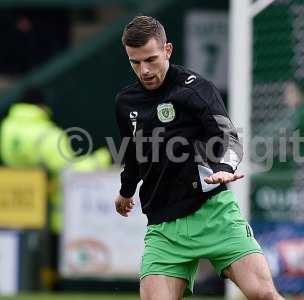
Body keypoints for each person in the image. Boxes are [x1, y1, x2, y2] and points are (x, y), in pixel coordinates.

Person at [114, 16, 284, 300]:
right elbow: (133, 152)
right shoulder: (126, 102)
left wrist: (224, 167)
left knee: (264, 294)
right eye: (135, 62)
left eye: (151, 59)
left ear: (168, 50)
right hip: (164, 225)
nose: (144, 70)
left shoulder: (195, 89)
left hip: (213, 212)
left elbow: (229, 137)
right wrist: (126, 191)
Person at [0, 86, 111, 288]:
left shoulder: (6, 129)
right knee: (48, 260)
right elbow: (71, 171)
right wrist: (102, 158)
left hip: (14, 207)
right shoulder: (48, 134)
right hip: (49, 211)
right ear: (42, 106)